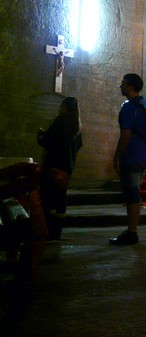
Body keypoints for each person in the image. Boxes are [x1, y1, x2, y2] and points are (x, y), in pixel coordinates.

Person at [110, 73, 146, 245]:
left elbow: (126, 134)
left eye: (123, 83)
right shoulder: (145, 103)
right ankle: (132, 230)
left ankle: (132, 232)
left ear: (129, 86)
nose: (120, 86)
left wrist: (117, 156)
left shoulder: (129, 107)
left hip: (132, 154)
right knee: (135, 190)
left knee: (131, 193)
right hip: (144, 153)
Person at [37, 97, 83, 241]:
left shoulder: (60, 120)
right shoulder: (77, 126)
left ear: (65, 107)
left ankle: (49, 231)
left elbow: (47, 140)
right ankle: (57, 232)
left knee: (48, 198)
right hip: (67, 168)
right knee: (60, 199)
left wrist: (40, 135)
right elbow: (79, 145)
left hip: (53, 165)